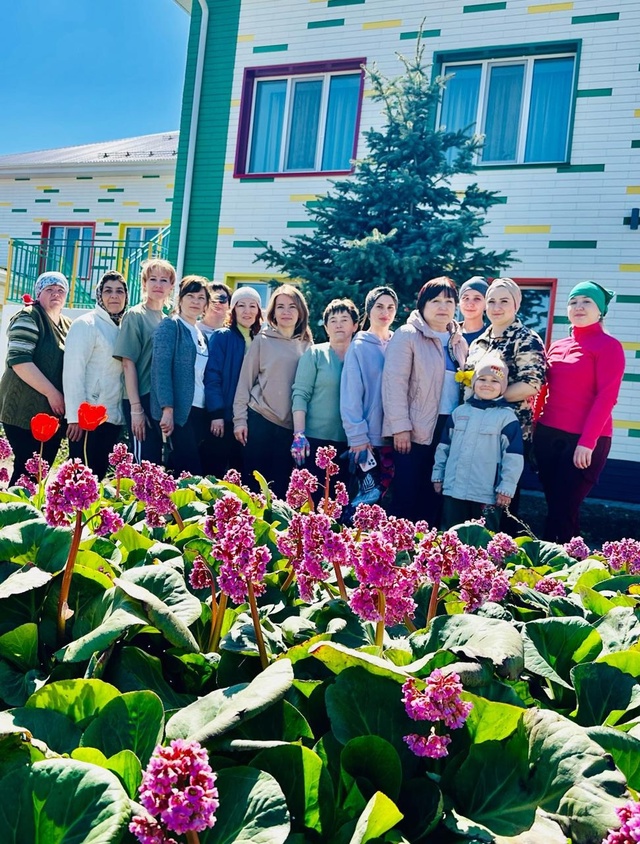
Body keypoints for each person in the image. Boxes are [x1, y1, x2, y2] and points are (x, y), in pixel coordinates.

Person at [533, 281, 625, 543]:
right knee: (556, 507)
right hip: (548, 436)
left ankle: (551, 561)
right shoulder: (557, 345)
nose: (578, 307)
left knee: (564, 507)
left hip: (585, 441)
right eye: (573, 302)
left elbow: (606, 397)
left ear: (600, 311)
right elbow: (542, 389)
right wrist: (534, 429)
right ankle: (568, 559)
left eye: (586, 301)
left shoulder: (608, 346)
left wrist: (587, 442)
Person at [382, 277, 468, 524]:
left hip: (448, 431)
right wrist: (400, 427)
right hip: (414, 431)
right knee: (406, 498)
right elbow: (394, 384)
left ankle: (426, 546)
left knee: (434, 498)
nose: (443, 307)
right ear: (422, 305)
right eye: (435, 301)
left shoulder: (458, 341)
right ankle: (398, 545)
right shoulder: (407, 335)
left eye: (449, 301)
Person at [465, 277, 546, 528]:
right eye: (491, 301)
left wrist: (490, 398)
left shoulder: (527, 339)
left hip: (509, 434)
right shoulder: (479, 342)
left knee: (503, 503)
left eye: (504, 301)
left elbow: (532, 384)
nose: (496, 307)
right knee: (473, 499)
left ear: (516, 305)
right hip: (475, 429)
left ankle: (502, 549)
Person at [233, 284, 313, 499]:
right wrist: (240, 420)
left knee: (280, 492)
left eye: (292, 306)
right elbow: (244, 382)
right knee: (253, 490)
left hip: (289, 429)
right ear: (273, 312)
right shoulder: (262, 340)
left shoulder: (308, 345)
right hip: (260, 420)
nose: (286, 312)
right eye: (280, 307)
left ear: (301, 312)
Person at [432, 356, 524, 531]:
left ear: (503, 386)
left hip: (486, 494)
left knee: (484, 538)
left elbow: (513, 458)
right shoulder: (459, 413)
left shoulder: (507, 418)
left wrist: (506, 487)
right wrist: (438, 475)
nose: (487, 384)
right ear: (473, 382)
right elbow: (443, 448)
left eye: (495, 381)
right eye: (482, 379)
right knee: (451, 535)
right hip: (453, 489)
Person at [0, 271, 71, 484]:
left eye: (60, 290)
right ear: (38, 293)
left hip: (50, 414)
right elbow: (19, 361)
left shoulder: (67, 324)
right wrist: (52, 393)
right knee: (26, 473)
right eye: (49, 289)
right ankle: (11, 506)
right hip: (22, 410)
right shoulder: (29, 316)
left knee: (39, 474)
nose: (56, 293)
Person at [63, 271, 128, 480]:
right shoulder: (86, 324)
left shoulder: (122, 327)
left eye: (120, 291)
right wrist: (75, 417)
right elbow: (73, 371)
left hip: (112, 417)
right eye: (108, 291)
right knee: (79, 481)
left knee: (97, 479)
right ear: (99, 295)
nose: (114, 296)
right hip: (87, 417)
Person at [291, 298, 359, 489]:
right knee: (311, 500)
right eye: (333, 320)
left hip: (350, 444)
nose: (338, 324)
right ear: (326, 327)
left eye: (344, 319)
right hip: (313, 442)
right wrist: (299, 435)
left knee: (340, 501)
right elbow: (300, 394)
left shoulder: (360, 357)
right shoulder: (315, 354)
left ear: (355, 326)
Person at [113, 258, 176, 464]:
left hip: (159, 399)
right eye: (153, 279)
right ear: (144, 283)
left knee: (159, 464)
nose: (158, 284)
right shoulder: (135, 315)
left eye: (164, 280)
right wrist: (136, 408)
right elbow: (127, 363)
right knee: (143, 464)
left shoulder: (167, 319)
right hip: (139, 397)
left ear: (171, 286)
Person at [340, 286, 398, 506]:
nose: (385, 312)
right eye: (379, 306)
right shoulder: (359, 346)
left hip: (397, 438)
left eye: (390, 307)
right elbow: (350, 395)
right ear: (369, 310)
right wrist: (357, 438)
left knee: (390, 510)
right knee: (364, 507)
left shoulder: (400, 343)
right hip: (368, 440)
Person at [151, 276, 210, 476]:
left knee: (190, 470)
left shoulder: (201, 334)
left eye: (201, 298)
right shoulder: (171, 326)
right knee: (189, 471)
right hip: (179, 412)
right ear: (180, 299)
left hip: (200, 410)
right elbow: (160, 370)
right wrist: (167, 409)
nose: (195, 302)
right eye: (190, 296)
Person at [203, 286, 263, 478]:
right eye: (241, 305)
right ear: (233, 309)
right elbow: (212, 376)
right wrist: (217, 414)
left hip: (251, 417)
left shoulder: (261, 339)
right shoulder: (223, 336)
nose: (247, 311)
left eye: (252, 306)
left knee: (244, 473)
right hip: (225, 417)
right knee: (218, 472)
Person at [459, 276, 489, 344]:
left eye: (477, 299)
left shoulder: (492, 336)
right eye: (466, 298)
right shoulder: (449, 334)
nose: (470, 304)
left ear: (486, 304)